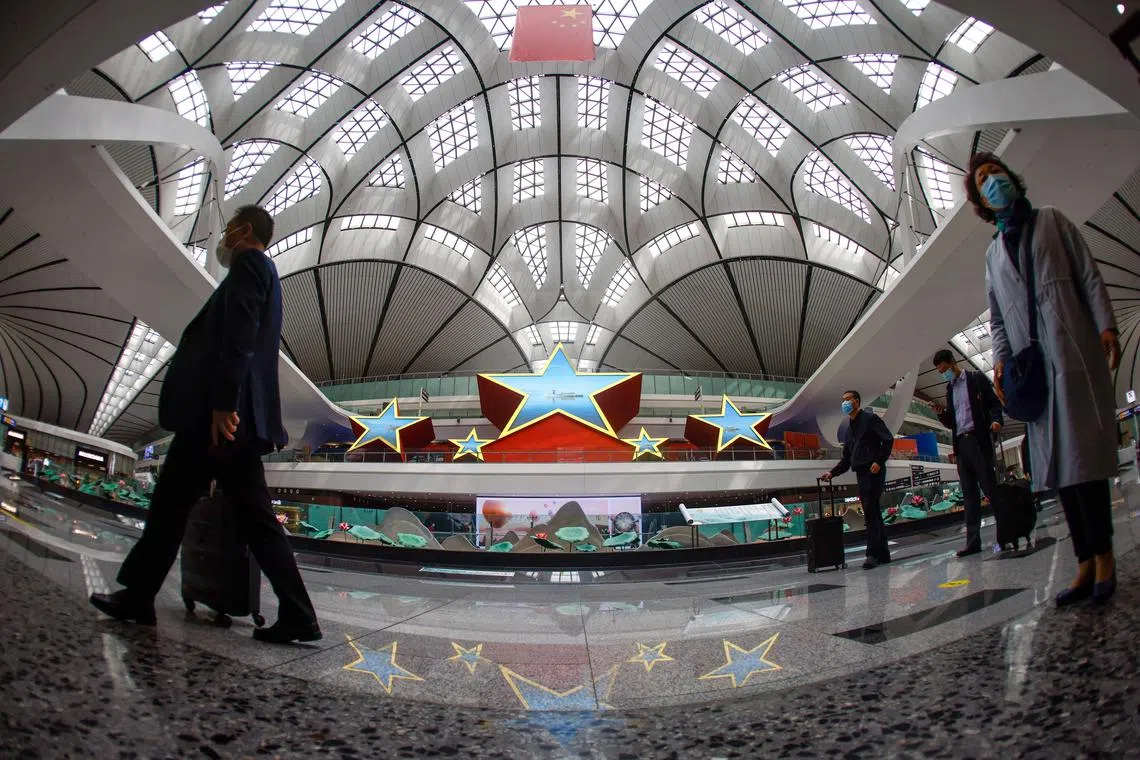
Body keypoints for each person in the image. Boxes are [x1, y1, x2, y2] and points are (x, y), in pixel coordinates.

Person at [90, 205, 321, 642]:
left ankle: (138, 597)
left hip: (219, 421)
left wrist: (222, 404)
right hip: (235, 423)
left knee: (172, 507)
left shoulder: (251, 264)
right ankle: (299, 615)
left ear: (244, 230)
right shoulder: (261, 272)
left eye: (231, 226)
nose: (226, 233)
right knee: (247, 519)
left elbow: (240, 337)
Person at [967, 152, 1121, 606]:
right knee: (1062, 471)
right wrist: (998, 361)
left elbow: (1088, 274)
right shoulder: (993, 254)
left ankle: (1105, 557)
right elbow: (997, 319)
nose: (992, 180)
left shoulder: (1052, 221)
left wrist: (1105, 325)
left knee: (1086, 465)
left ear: (1012, 178)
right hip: (1032, 369)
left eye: (995, 172)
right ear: (980, 201)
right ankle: (1084, 563)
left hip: (1073, 352)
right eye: (982, 180)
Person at [929, 349, 1003, 557]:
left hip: (978, 441)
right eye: (940, 372)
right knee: (969, 496)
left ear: (953, 362)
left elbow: (993, 403)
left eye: (945, 369)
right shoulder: (949, 389)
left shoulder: (976, 379)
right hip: (961, 445)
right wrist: (941, 414)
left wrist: (996, 420)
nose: (944, 374)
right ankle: (973, 542)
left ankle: (1005, 532)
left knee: (990, 489)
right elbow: (953, 421)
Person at [820, 390, 895, 569]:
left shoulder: (870, 419)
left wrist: (879, 461)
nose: (844, 403)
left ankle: (872, 554)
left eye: (847, 399)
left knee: (870, 513)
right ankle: (883, 554)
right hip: (861, 473)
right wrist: (832, 473)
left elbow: (888, 440)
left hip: (873, 471)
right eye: (843, 400)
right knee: (874, 512)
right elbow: (847, 458)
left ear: (857, 401)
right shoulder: (849, 429)